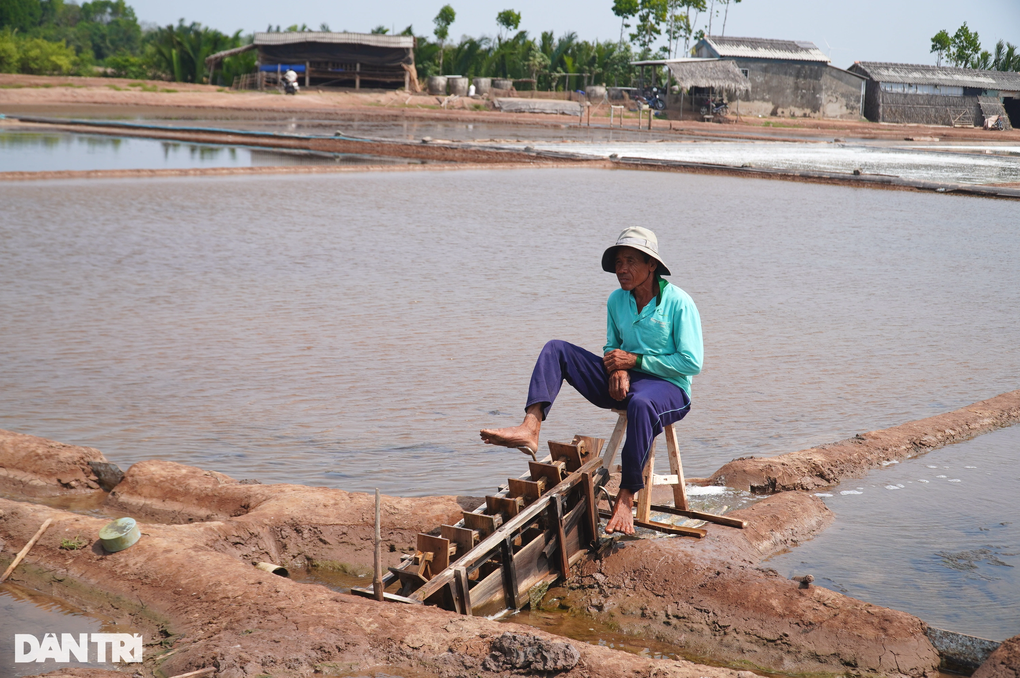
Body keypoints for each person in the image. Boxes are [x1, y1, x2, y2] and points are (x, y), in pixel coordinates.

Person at [480, 226, 703, 535]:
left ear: (651, 265)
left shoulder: (679, 303)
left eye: (630, 261)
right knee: (556, 349)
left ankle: (626, 496)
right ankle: (530, 426)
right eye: (618, 262)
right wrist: (617, 368)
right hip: (624, 380)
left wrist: (634, 361)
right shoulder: (616, 300)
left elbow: (691, 362)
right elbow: (612, 346)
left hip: (670, 388)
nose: (621, 269)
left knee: (640, 403)